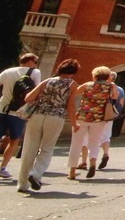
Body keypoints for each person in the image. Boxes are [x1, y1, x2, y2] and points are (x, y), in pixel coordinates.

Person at [16, 59, 79, 193]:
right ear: (73, 72)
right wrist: (74, 123)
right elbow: (71, 105)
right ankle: (36, 174)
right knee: (47, 148)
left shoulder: (47, 81)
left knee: (29, 149)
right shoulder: (73, 84)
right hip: (56, 117)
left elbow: (28, 98)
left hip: (37, 115)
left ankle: (22, 184)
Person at [66, 66, 117, 180]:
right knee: (94, 142)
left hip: (82, 116)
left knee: (76, 143)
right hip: (99, 118)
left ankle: (72, 172)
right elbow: (115, 96)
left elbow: (76, 92)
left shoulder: (87, 85)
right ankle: (93, 163)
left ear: (95, 76)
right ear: (108, 76)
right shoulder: (110, 86)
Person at [0, 53, 41, 179]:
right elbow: (35, 92)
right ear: (30, 62)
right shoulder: (35, 72)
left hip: (2, 108)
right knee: (14, 140)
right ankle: (2, 168)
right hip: (19, 112)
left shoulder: (7, 71)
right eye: (35, 62)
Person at [97, 71, 125, 170]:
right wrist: (115, 114)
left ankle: (91, 159)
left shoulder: (100, 87)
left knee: (93, 136)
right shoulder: (120, 89)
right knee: (106, 135)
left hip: (96, 114)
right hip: (110, 115)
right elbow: (121, 104)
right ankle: (105, 153)